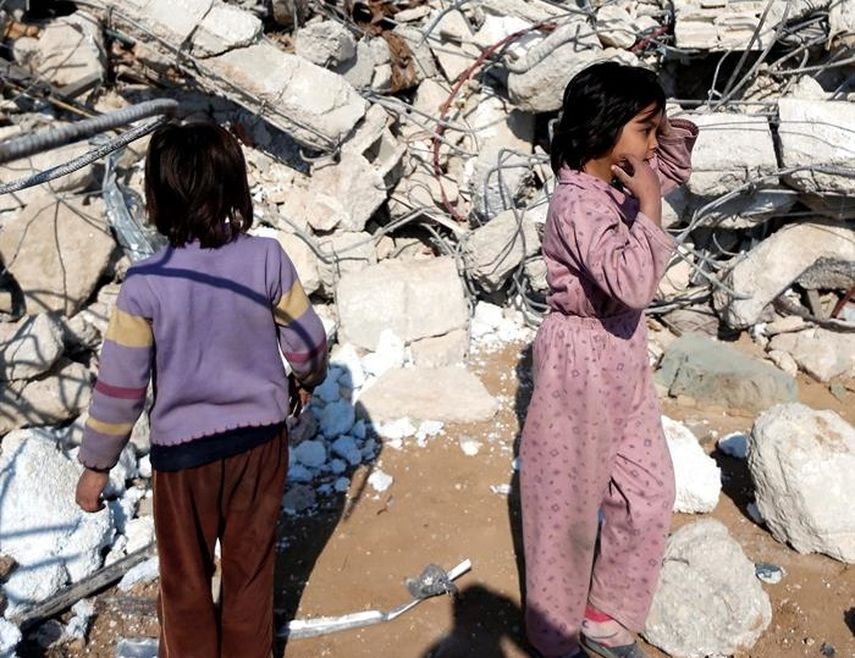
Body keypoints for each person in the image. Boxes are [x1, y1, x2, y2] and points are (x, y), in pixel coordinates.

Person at [74, 121, 328, 658]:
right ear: (234, 187)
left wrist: (97, 464)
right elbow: (308, 342)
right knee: (250, 569)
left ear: (156, 197)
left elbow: (121, 387)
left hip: (184, 459)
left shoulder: (146, 283)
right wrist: (306, 381)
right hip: (259, 445)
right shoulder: (266, 258)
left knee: (184, 580)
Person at [519, 62, 698, 658]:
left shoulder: (618, 182)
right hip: (580, 360)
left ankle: (605, 614)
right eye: (644, 130)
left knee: (647, 489)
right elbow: (631, 282)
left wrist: (658, 132)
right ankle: (554, 634)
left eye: (653, 130)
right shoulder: (577, 203)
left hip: (623, 353)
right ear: (602, 128)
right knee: (567, 505)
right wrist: (649, 204)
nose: (652, 145)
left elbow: (668, 167)